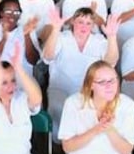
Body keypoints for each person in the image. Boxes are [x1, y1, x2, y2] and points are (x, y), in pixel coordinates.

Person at [43, 8, 120, 139]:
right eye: (80, 22)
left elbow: (110, 62)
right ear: (73, 22)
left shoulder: (99, 40)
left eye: (88, 23)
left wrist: (112, 37)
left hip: (89, 91)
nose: (84, 26)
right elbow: (48, 57)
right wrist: (55, 29)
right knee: (59, 119)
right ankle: (58, 147)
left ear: (93, 25)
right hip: (60, 89)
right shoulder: (62, 37)